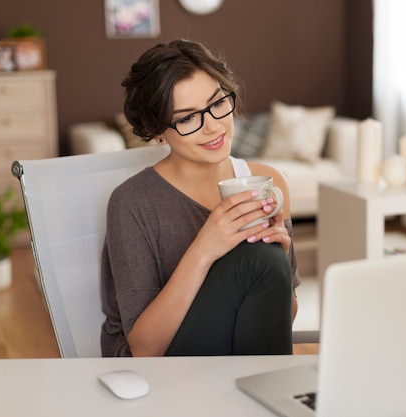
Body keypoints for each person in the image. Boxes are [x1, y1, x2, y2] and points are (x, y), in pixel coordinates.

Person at [100, 39, 300, 357]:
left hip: (239, 360)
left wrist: (281, 260)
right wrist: (205, 248)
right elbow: (145, 349)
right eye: (187, 118)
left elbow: (280, 320)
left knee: (265, 258)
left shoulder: (270, 183)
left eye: (218, 103)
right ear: (156, 131)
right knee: (259, 259)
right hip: (160, 375)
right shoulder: (131, 203)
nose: (213, 126)